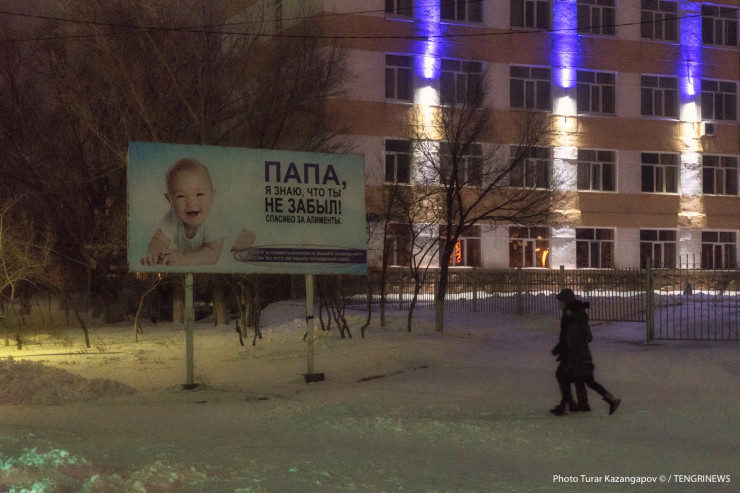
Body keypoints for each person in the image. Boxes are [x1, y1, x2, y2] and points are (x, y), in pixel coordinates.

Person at [140, 158, 228, 266]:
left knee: (243, 242)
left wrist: (185, 258)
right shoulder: (173, 217)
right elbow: (158, 240)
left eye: (199, 194)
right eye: (181, 196)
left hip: (234, 239)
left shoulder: (214, 219)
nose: (191, 203)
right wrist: (155, 253)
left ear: (212, 195)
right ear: (169, 199)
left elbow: (212, 253)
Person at [559, 295, 622, 416]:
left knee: (568, 378)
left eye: (568, 310)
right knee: (586, 381)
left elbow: (573, 345)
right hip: (586, 357)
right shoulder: (583, 322)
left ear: (572, 311)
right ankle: (587, 404)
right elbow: (589, 338)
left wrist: (570, 361)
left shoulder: (573, 325)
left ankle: (568, 406)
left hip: (578, 359)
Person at [551, 288, 578, 416]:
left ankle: (568, 403)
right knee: (564, 376)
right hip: (569, 351)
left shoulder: (570, 315)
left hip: (571, 352)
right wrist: (558, 348)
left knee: (562, 375)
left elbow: (570, 336)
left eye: (561, 301)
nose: (559, 304)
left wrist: (563, 349)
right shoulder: (567, 314)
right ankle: (569, 402)